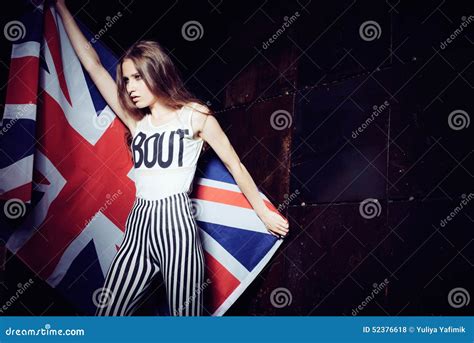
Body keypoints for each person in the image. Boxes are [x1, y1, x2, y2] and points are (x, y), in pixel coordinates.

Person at [55, 0, 290, 316]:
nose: (131, 87)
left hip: (176, 223)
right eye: (126, 80)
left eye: (138, 77)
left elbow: (234, 163)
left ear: (157, 72)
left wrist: (262, 213)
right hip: (138, 224)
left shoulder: (195, 115)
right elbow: (93, 65)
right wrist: (60, 7)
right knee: (107, 315)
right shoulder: (136, 120)